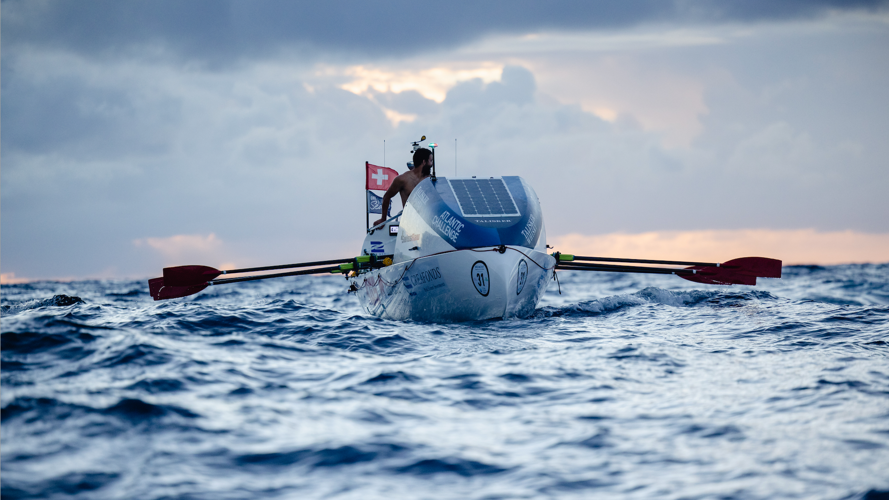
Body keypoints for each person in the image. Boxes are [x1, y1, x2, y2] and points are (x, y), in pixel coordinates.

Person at [373, 148, 432, 227]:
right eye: (431, 161)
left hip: (428, 224)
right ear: (424, 162)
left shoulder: (431, 180)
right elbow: (387, 197)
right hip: (410, 225)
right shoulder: (403, 179)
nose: (432, 165)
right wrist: (383, 219)